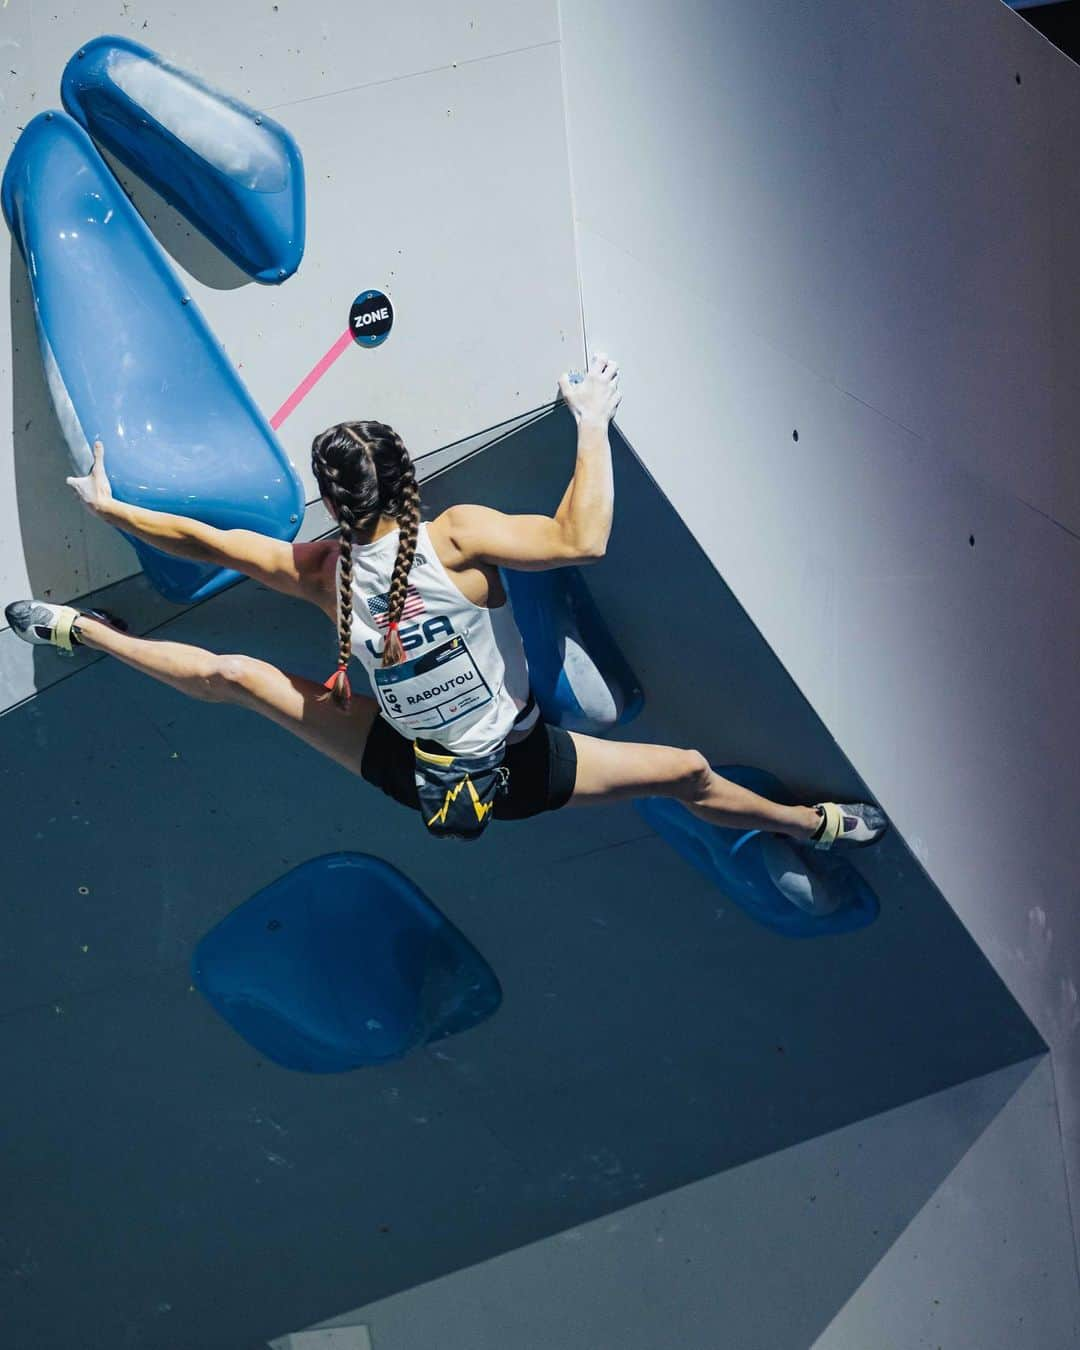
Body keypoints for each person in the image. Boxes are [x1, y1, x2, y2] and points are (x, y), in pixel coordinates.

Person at [6, 352, 887, 847]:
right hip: (516, 767)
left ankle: (84, 631)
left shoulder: (322, 572)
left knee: (236, 674)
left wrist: (110, 506)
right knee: (690, 771)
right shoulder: (455, 536)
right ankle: (808, 824)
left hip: (405, 765)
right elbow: (583, 537)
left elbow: (207, 542)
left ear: (338, 502)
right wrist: (588, 421)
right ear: (405, 480)